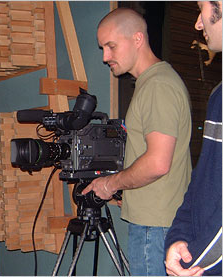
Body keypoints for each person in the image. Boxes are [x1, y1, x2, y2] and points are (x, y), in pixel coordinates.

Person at [81, 7, 192, 276]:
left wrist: (110, 184)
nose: (105, 57)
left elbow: (157, 163)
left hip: (156, 228)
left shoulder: (157, 86)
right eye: (102, 48)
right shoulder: (151, 84)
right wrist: (125, 192)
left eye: (111, 46)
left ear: (138, 39)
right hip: (155, 223)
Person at [164, 1, 222, 276]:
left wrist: (197, 261)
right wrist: (179, 236)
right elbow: (203, 179)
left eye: (203, 8)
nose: (199, 23)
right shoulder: (218, 96)